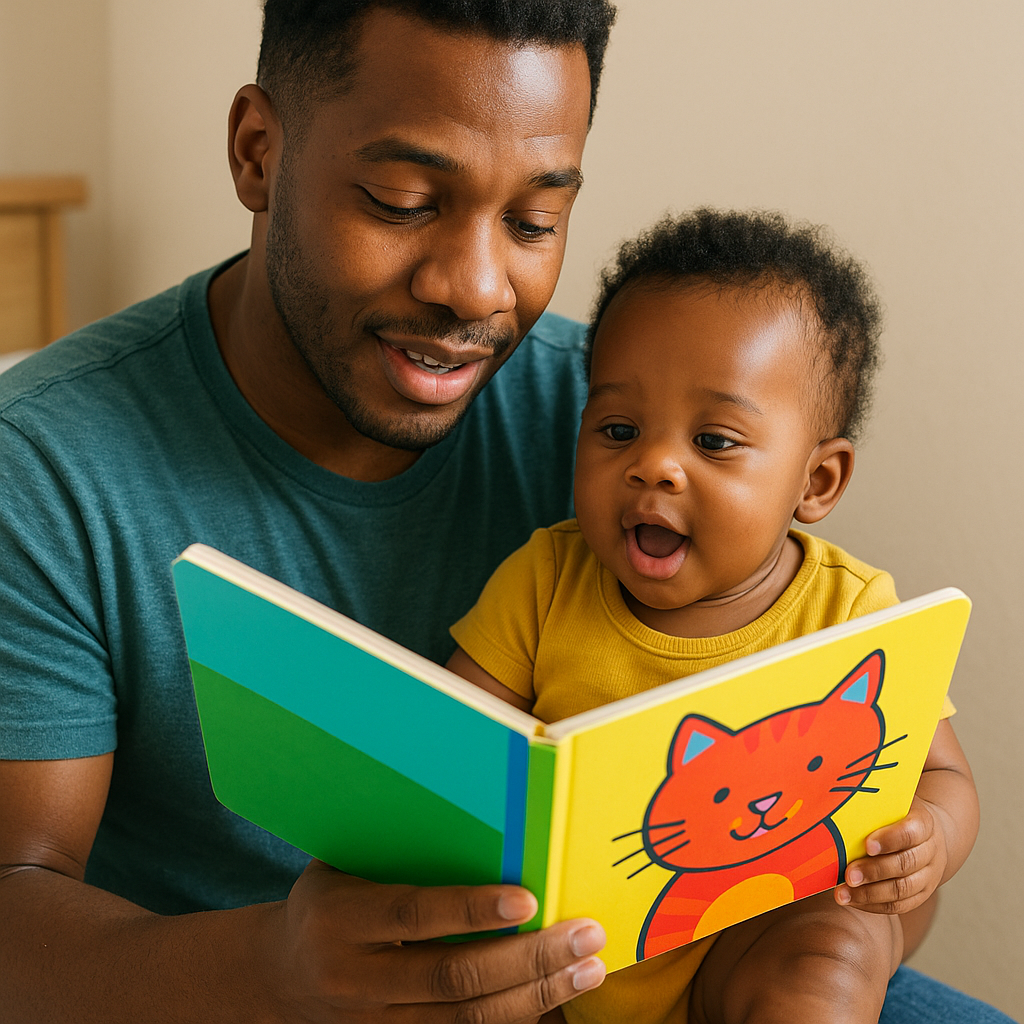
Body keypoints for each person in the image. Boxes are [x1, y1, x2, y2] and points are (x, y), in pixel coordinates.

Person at [0, 2, 1010, 1022]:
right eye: (400, 200)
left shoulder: (629, 416)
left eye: (534, 221)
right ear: (258, 152)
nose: (476, 289)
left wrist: (848, 928)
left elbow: (865, 811)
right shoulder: (47, 465)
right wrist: (277, 966)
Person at [446, 209, 982, 1024]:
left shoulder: (853, 612)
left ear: (818, 483)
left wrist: (931, 839)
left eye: (717, 440)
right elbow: (456, 747)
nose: (653, 465)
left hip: (763, 939)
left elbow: (944, 777)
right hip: (579, 959)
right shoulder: (545, 583)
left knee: (833, 947)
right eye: (618, 430)